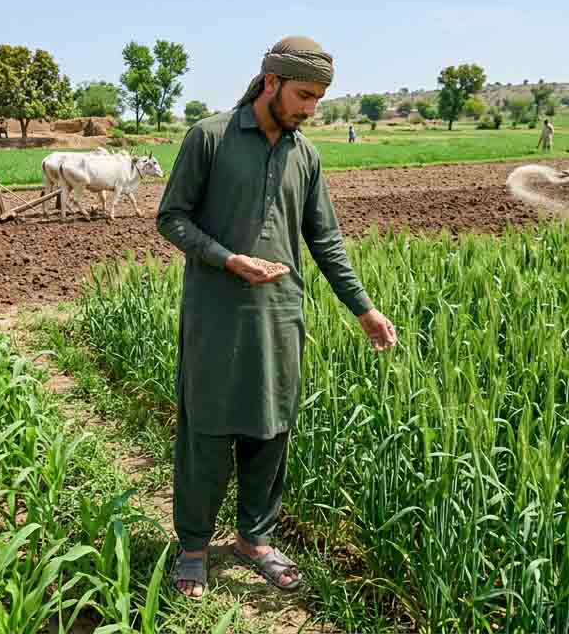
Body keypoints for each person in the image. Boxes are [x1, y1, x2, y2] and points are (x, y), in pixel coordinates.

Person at [157, 36, 398, 599]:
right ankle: (193, 545)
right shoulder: (210, 138)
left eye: (317, 99)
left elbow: (325, 240)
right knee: (207, 432)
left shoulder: (305, 155)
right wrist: (228, 259)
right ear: (270, 83)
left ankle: (254, 540)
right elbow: (171, 218)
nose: (310, 109)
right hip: (216, 315)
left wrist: (363, 309)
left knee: (271, 430)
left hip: (281, 316)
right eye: (303, 96)